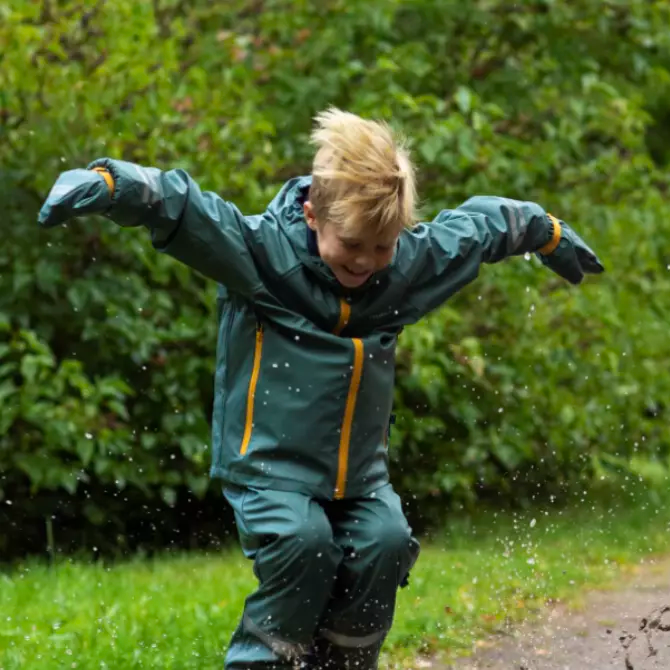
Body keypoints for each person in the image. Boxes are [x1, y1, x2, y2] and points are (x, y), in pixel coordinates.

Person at [38, 107, 604, 669]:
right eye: (352, 245)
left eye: (382, 247)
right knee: (304, 544)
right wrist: (111, 182)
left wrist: (544, 231)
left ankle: (343, 664)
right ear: (311, 213)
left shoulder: (403, 268)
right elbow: (184, 207)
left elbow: (477, 230)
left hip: (360, 479)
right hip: (268, 469)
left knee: (385, 543)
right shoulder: (261, 254)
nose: (365, 262)